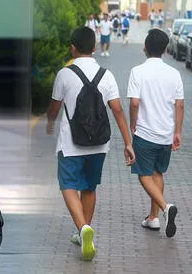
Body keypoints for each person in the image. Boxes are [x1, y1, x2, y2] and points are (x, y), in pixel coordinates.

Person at [46, 27, 135, 261]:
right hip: (99, 144)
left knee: (67, 184)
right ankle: (84, 231)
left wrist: (48, 124)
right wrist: (128, 142)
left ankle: (83, 228)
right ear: (95, 48)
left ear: (72, 48)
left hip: (70, 143)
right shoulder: (107, 75)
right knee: (89, 187)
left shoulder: (64, 74)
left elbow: (54, 108)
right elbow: (117, 110)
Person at [127, 29, 182, 238]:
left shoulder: (137, 71)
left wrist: (133, 124)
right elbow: (180, 105)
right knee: (158, 173)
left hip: (145, 132)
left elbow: (134, 102)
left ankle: (165, 208)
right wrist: (178, 131)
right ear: (166, 49)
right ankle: (153, 218)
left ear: (145, 48)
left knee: (143, 175)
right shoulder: (174, 73)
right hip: (166, 133)